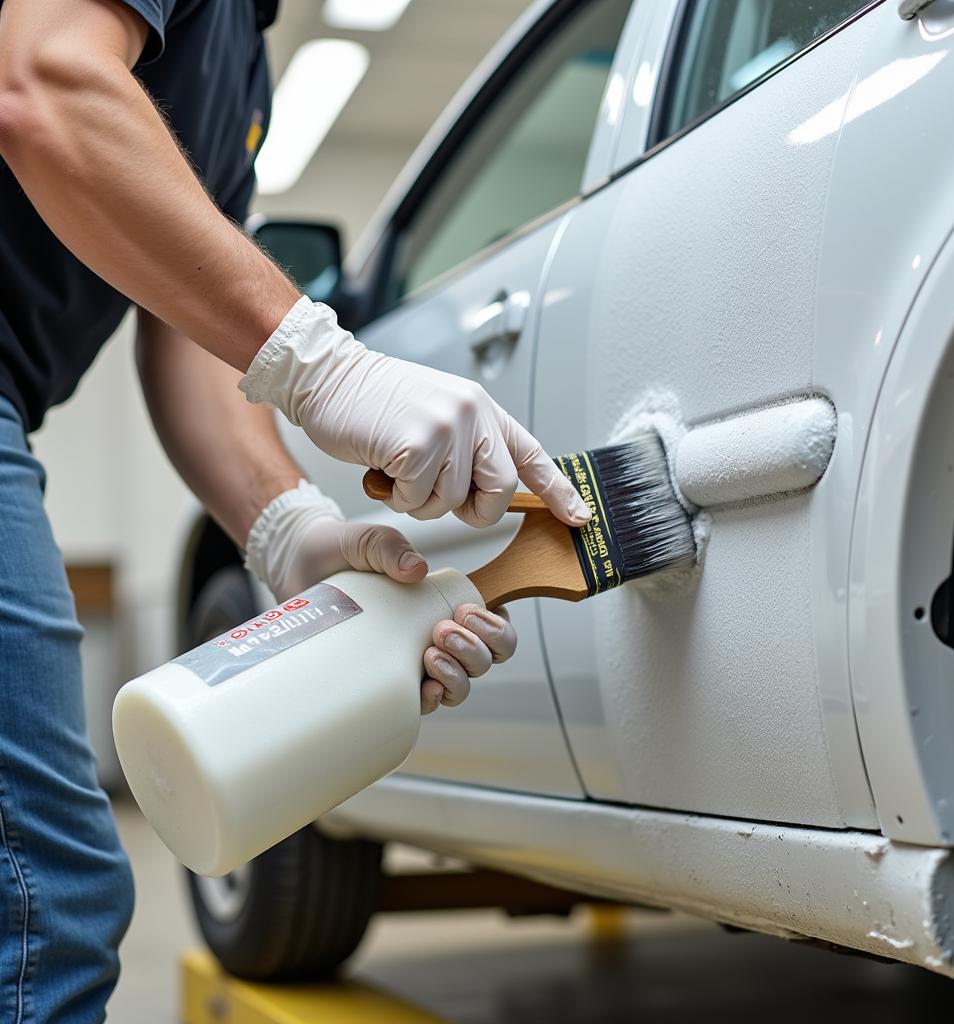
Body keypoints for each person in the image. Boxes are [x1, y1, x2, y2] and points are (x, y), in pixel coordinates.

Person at [0, 0, 592, 1017]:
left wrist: (291, 529)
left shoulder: (241, 64)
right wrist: (327, 367)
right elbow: (45, 84)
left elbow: (180, 327)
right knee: (39, 909)